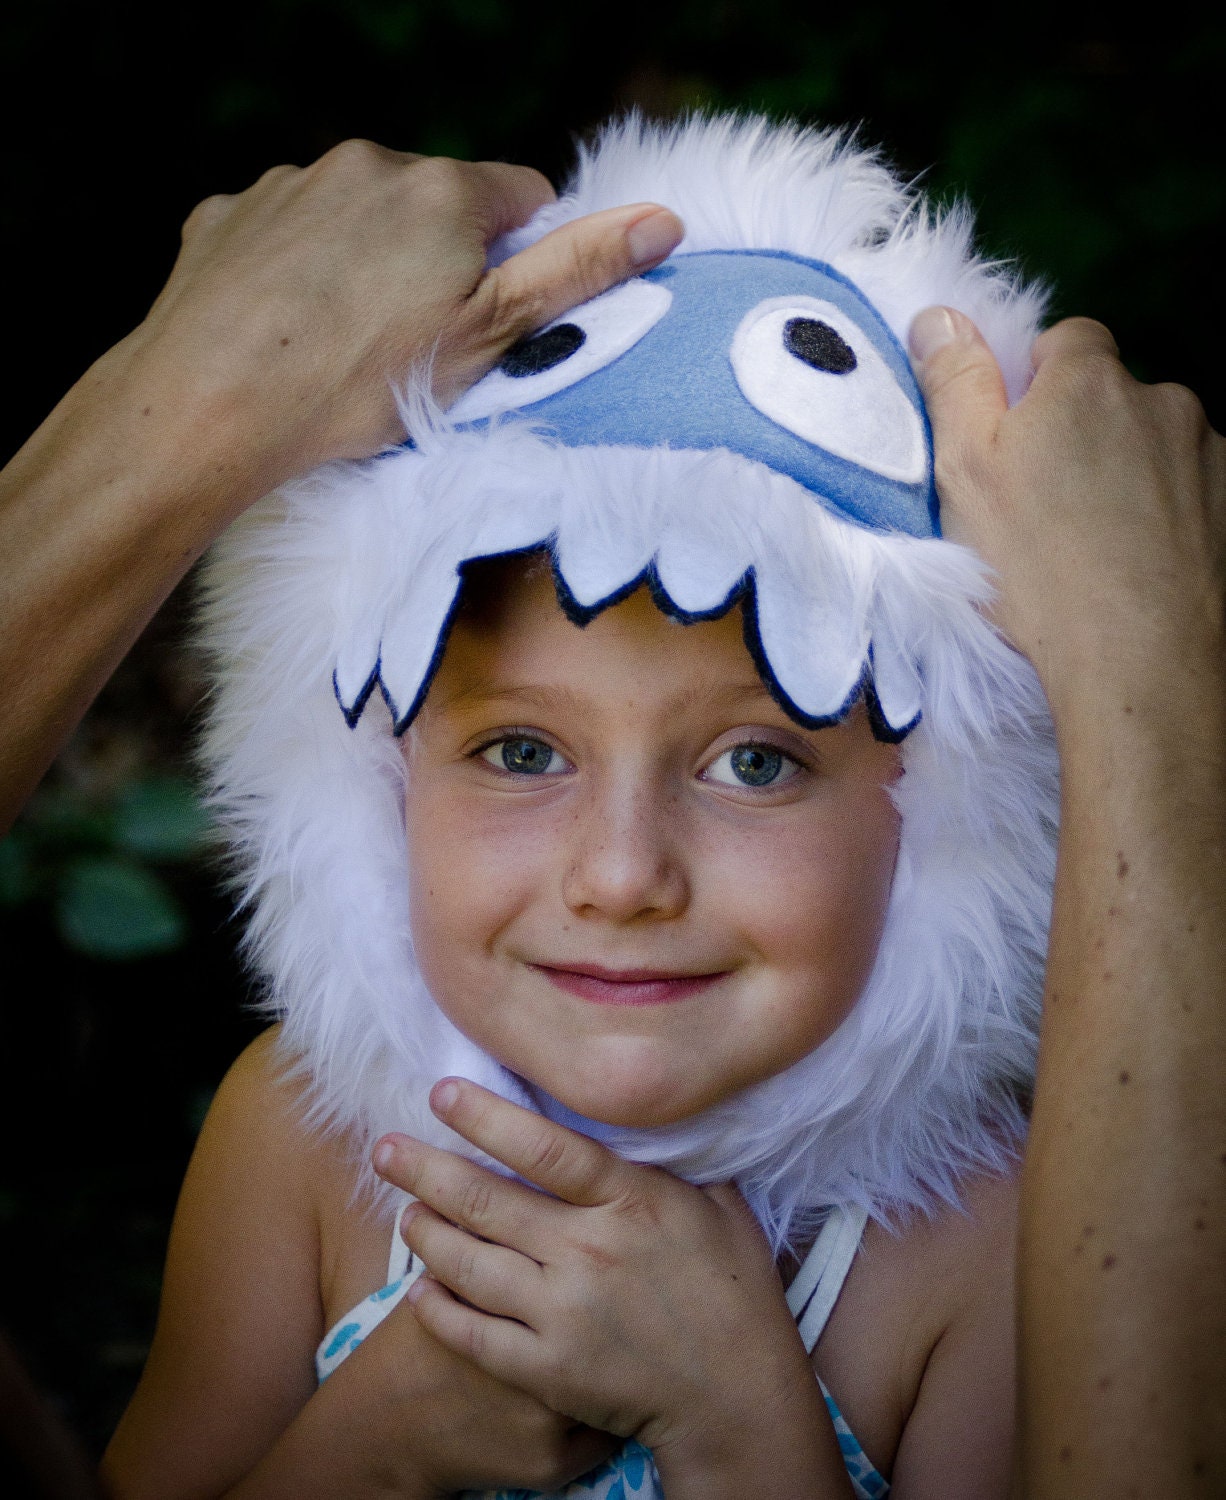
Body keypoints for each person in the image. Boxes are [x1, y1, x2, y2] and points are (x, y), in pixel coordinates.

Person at [0, 124, 1220, 1500]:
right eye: (521, 751)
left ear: (937, 826)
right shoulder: (298, 1151)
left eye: (754, 763)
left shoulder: (981, 1244)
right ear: (370, 792)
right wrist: (369, 1444)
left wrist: (746, 1430)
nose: (621, 876)